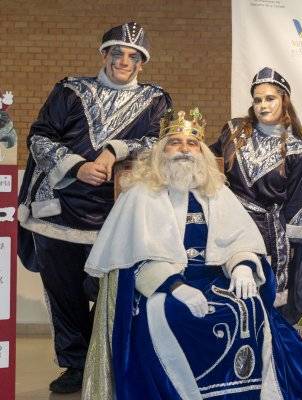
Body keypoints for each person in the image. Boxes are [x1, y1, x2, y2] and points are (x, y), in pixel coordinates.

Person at [81, 108, 302, 400]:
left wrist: (242, 266)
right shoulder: (139, 195)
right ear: (160, 152)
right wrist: (175, 287)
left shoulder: (216, 192)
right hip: (160, 286)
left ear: (201, 152)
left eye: (192, 143)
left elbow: (240, 241)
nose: (184, 149)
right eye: (175, 142)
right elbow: (132, 260)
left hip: (213, 278)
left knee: (249, 306)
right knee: (175, 313)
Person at [16, 21, 171, 394]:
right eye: (117, 53)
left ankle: (105, 362)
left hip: (116, 215)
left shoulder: (155, 100)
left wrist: (115, 150)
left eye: (132, 56)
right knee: (64, 293)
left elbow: (159, 143)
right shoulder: (70, 90)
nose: (123, 61)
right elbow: (39, 136)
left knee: (110, 294)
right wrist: (76, 166)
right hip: (58, 212)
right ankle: (75, 364)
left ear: (142, 63)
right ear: (104, 55)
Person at [210, 67, 302, 324]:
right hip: (229, 227)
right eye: (257, 100)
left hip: (270, 236)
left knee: (263, 304)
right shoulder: (233, 132)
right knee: (228, 297)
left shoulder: (297, 151)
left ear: (284, 101)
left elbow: (296, 207)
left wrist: (290, 254)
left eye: (270, 98)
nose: (263, 105)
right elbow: (210, 163)